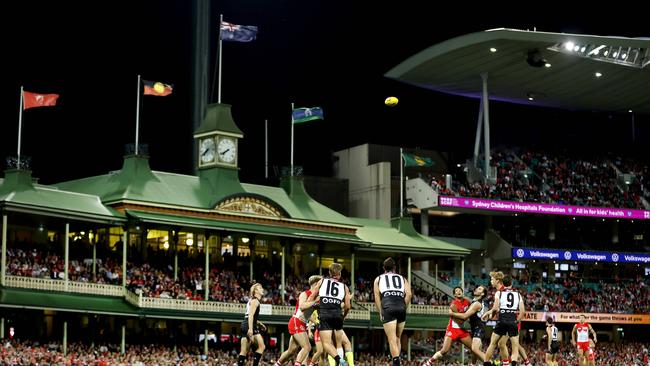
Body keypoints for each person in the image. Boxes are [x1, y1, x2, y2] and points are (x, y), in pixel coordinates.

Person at [423, 286, 485, 365]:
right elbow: (460, 321)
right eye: (456, 291)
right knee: (444, 351)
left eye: (460, 290)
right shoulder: (453, 305)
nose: (459, 291)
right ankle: (429, 362)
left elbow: (471, 310)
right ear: (454, 295)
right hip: (452, 329)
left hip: (462, 330)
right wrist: (465, 316)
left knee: (475, 349)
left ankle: (474, 364)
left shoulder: (467, 302)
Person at [274, 275, 322, 366]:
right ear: (316, 284)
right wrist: (315, 302)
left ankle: (277, 364)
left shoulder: (317, 297)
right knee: (307, 347)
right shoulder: (305, 294)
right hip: (296, 321)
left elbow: (309, 315)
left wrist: (317, 321)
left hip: (301, 323)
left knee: (291, 351)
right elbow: (302, 307)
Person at [309, 263, 351, 366]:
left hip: (325, 314)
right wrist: (343, 316)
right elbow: (347, 306)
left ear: (329, 273)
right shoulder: (344, 287)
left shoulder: (322, 281)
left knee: (327, 344)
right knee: (339, 344)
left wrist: (313, 305)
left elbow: (311, 297)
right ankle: (341, 361)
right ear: (339, 274)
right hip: (337, 315)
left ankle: (339, 360)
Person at [373, 257, 412, 366]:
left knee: (391, 339)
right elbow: (409, 294)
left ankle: (396, 363)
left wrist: (380, 311)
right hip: (401, 305)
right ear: (395, 268)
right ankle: (397, 361)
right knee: (398, 337)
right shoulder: (402, 278)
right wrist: (404, 305)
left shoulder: (378, 279)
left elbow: (377, 298)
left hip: (388, 306)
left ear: (383, 268)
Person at [481, 273, 525, 366]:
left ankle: (486, 363)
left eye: (492, 279)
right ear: (512, 283)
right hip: (513, 320)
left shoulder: (499, 293)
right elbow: (522, 312)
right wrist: (516, 321)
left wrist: (489, 313)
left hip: (502, 319)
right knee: (514, 347)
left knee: (493, 343)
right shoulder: (518, 294)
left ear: (501, 283)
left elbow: (496, 308)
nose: (491, 281)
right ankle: (512, 363)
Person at [448, 285, 489, 366]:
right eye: (477, 288)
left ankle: (490, 362)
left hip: (479, 328)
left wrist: (452, 313)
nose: (477, 289)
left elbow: (465, 316)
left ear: (482, 294)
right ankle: (473, 364)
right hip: (476, 328)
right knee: (476, 350)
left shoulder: (477, 303)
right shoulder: (476, 301)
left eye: (480, 289)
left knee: (474, 349)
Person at [238, 283, 267, 366]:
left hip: (244, 324)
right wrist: (250, 329)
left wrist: (260, 324)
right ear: (255, 291)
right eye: (260, 288)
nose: (262, 289)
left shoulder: (252, 300)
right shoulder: (255, 301)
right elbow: (250, 315)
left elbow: (249, 316)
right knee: (262, 347)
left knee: (243, 351)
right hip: (249, 325)